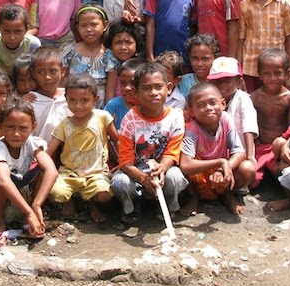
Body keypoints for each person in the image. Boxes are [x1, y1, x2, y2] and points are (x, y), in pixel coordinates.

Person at [110, 62, 188, 222]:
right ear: (137, 93)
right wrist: (143, 179)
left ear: (169, 88)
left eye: (158, 87)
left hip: (162, 172)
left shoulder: (175, 118)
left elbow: (172, 154)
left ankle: (167, 205)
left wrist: (162, 169)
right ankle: (131, 208)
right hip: (136, 174)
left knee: (175, 176)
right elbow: (125, 162)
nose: (153, 93)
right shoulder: (130, 119)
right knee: (120, 181)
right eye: (146, 88)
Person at [0, 98, 58, 247]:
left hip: (24, 199)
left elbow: (51, 170)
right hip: (0, 201)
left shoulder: (32, 143)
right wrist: (30, 212)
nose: (16, 133)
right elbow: (4, 181)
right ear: (1, 127)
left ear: (33, 127)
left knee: (42, 171)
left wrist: (36, 205)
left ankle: (25, 220)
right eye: (10, 127)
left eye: (23, 128)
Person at [48, 74, 118, 222]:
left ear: (96, 99)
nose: (78, 106)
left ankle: (92, 204)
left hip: (96, 172)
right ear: (66, 100)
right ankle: (69, 200)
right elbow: (49, 152)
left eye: (84, 101)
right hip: (69, 173)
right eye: (72, 100)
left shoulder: (102, 117)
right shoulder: (64, 124)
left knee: (104, 194)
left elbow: (118, 141)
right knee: (56, 194)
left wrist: (123, 163)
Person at [179, 83, 254, 216]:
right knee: (182, 167)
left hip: (220, 174)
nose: (208, 108)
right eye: (201, 105)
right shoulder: (192, 128)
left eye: (213, 103)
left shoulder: (225, 119)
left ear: (223, 103)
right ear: (191, 111)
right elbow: (185, 165)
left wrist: (222, 168)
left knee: (247, 168)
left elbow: (239, 152)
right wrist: (220, 162)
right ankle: (193, 197)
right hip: (198, 176)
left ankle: (227, 194)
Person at [250, 49, 290, 185]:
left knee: (285, 171)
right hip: (259, 147)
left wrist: (285, 146)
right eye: (267, 74)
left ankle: (274, 171)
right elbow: (252, 125)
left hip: (279, 147)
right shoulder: (255, 97)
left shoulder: (289, 98)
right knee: (252, 180)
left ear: (287, 73)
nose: (272, 78)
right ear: (259, 75)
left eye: (278, 73)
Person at [208, 57, 258, 177]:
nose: (222, 85)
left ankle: (234, 189)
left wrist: (250, 156)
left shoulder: (243, 99)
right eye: (217, 81)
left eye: (227, 80)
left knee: (247, 169)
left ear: (239, 82)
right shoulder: (208, 99)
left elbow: (248, 127)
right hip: (213, 155)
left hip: (238, 154)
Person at [63, 5, 119, 106]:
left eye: (93, 24)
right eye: (83, 25)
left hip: (97, 113)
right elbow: (62, 84)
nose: (88, 29)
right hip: (73, 109)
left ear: (105, 26)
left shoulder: (110, 58)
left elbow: (109, 93)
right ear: (78, 27)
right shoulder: (69, 52)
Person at [28, 46, 69, 142]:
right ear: (33, 74)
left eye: (53, 71)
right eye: (40, 72)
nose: (47, 77)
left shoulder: (69, 98)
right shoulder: (31, 101)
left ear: (63, 71)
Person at [0, 4, 41, 75]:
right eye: (7, 31)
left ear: (26, 29)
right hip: (0, 80)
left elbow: (34, 72)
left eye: (17, 31)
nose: (12, 37)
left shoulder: (33, 44)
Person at [105, 59, 144, 131]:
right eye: (123, 83)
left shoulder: (149, 107)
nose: (127, 88)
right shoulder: (114, 105)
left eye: (133, 83)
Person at [178, 33, 221, 99]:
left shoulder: (220, 81)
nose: (199, 64)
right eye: (195, 58)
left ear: (215, 58)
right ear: (189, 57)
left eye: (205, 59)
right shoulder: (184, 81)